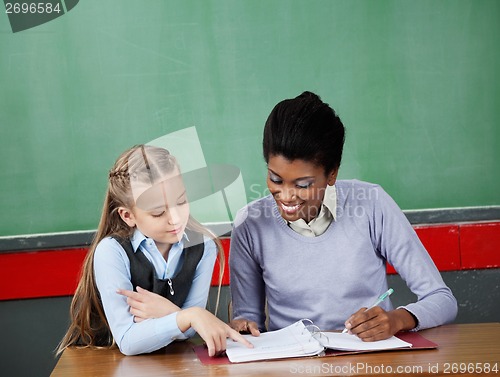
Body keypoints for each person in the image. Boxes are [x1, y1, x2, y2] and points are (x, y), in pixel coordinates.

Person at [229, 91, 457, 341]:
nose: (286, 196)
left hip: (371, 361)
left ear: (332, 174)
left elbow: (442, 299)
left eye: (303, 184)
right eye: (275, 179)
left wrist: (397, 320)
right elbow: (248, 318)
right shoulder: (250, 223)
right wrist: (243, 327)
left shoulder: (372, 204)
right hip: (293, 364)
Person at [57, 144, 251, 356]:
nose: (175, 218)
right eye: (158, 212)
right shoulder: (111, 252)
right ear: (127, 216)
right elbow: (128, 341)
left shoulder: (203, 247)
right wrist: (187, 316)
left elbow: (191, 329)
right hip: (103, 363)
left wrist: (178, 315)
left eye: (182, 201)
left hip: (167, 363)